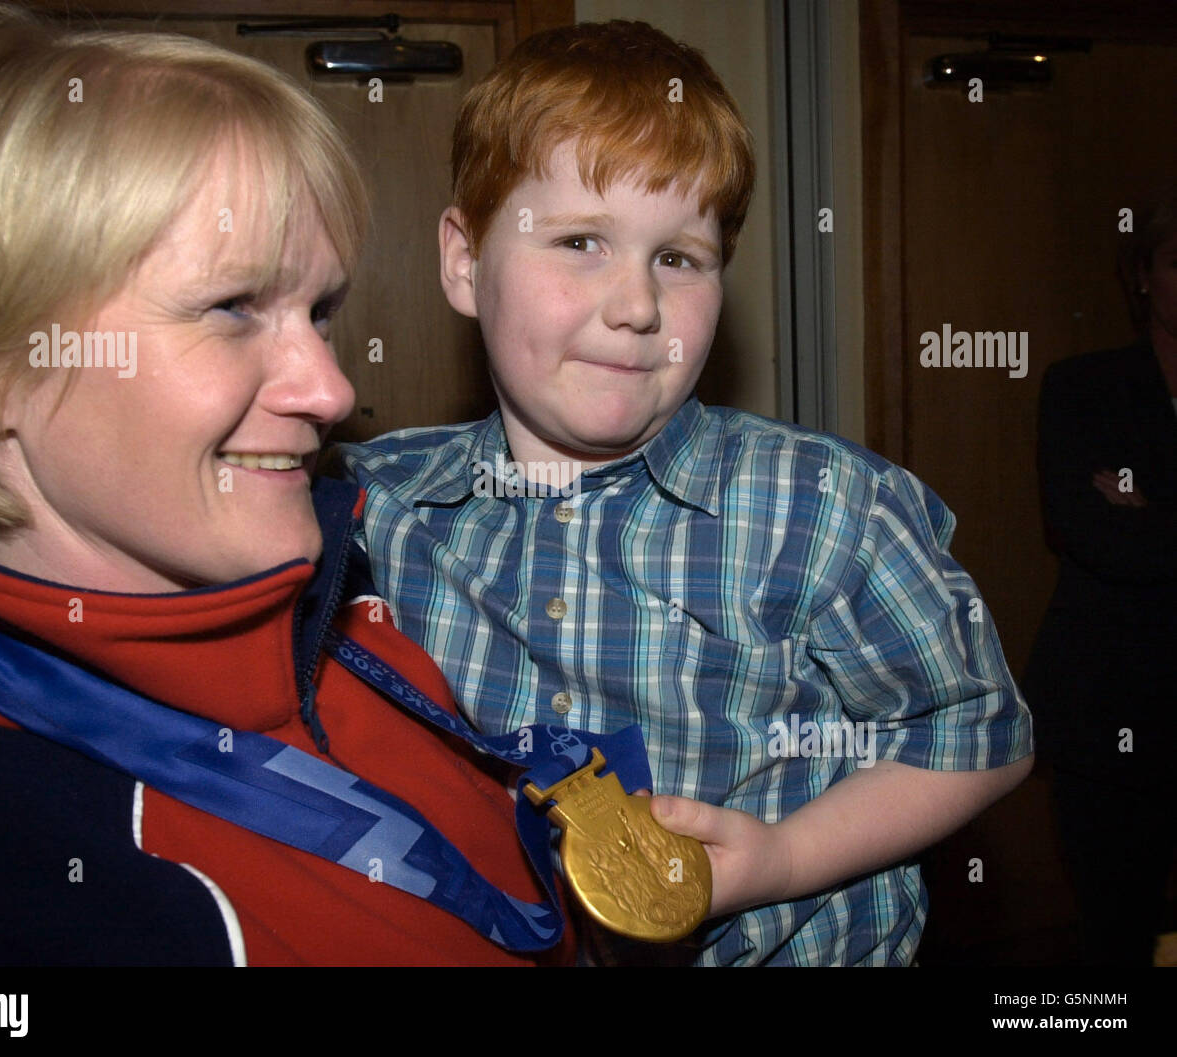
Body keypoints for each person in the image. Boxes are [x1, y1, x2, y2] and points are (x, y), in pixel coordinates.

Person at [0, 3, 574, 966]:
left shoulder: (330, 596)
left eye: (320, 309)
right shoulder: (5, 889)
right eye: (234, 305)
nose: (332, 390)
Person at [338, 20, 1035, 965]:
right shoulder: (376, 507)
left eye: (679, 257)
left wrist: (786, 858)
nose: (635, 305)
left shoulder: (827, 510)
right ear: (465, 261)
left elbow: (978, 731)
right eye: (581, 239)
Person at [1023, 185, 1177, 965]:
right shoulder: (1083, 388)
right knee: (1117, 928)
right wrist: (1133, 523)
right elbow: (1086, 533)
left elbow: (1135, 539)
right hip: (1109, 704)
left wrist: (1148, 507)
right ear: (1144, 274)